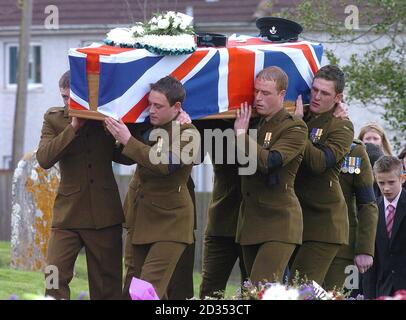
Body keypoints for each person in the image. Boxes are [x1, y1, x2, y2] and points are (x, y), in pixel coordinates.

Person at [36, 71, 133, 300]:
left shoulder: (105, 117)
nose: (68, 102)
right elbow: (44, 158)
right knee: (53, 272)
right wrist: (73, 127)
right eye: (64, 97)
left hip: (104, 215)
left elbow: (127, 158)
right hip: (67, 215)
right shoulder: (54, 119)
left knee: (106, 285)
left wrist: (120, 132)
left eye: (72, 97)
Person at [105, 76, 200, 299]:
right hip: (140, 220)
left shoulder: (189, 133)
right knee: (135, 288)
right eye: (149, 104)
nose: (152, 110)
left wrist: (128, 140)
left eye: (158, 106)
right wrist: (114, 134)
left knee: (144, 290)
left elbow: (165, 164)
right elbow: (124, 156)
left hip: (170, 224)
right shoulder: (146, 128)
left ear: (177, 107)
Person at [233, 66, 308, 284]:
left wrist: (240, 135)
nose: (258, 98)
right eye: (256, 91)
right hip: (250, 221)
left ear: (282, 94)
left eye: (266, 93)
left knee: (261, 289)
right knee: (253, 291)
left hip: (279, 222)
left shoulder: (294, 127)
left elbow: (270, 162)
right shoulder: (253, 123)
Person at [289, 65, 354, 285]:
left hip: (323, 223)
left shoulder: (341, 126)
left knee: (300, 290)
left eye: (324, 93)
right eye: (314, 90)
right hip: (296, 220)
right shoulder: (302, 114)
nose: (316, 97)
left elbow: (319, 163)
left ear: (338, 98)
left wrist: (297, 127)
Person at [324, 139, 378, 292]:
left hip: (342, 246)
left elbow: (367, 204)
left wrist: (364, 249)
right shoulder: (301, 140)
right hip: (301, 241)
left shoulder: (354, 151)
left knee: (335, 294)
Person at [363, 156, 406, 298]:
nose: (386, 188)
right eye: (381, 183)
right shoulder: (372, 209)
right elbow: (371, 257)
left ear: (402, 178)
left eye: (391, 182)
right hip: (382, 287)